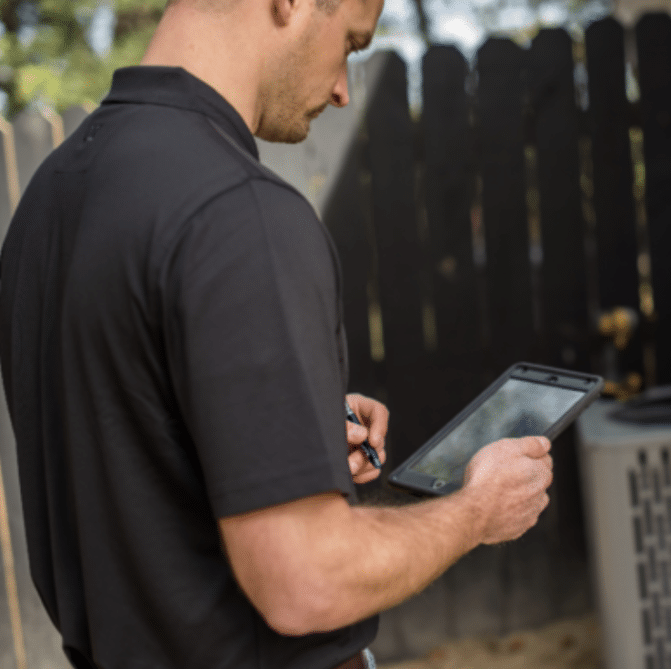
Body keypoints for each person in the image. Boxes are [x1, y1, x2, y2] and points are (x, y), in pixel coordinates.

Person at [0, 0, 554, 667]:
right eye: (351, 43)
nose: (345, 90)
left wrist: (281, 434)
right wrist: (476, 509)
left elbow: (128, 446)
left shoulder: (48, 199)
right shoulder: (240, 212)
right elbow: (305, 582)